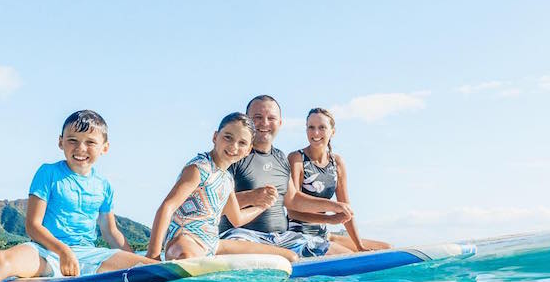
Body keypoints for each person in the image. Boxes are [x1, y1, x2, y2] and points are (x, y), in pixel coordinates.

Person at [0, 110, 157, 282]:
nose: (81, 148)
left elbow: (111, 232)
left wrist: (139, 266)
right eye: (72, 140)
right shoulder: (48, 173)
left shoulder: (104, 185)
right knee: (0, 258)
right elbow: (33, 226)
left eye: (90, 142)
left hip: (88, 255)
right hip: (45, 252)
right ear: (60, 142)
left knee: (149, 267)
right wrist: (63, 251)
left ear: (105, 147)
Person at [146, 112, 298, 262]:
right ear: (215, 137)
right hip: (185, 239)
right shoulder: (198, 168)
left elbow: (236, 219)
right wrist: (153, 256)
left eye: (242, 143)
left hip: (212, 243)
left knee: (289, 257)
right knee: (189, 259)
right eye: (228, 137)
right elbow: (167, 207)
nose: (233, 146)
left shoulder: (227, 179)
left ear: (248, 150)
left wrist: (263, 205)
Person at [217, 95, 353, 257]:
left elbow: (293, 199)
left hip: (283, 238)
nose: (265, 123)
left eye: (271, 118)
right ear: (247, 121)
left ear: (280, 123)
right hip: (242, 236)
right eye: (258, 117)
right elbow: (214, 201)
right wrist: (250, 197)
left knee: (345, 256)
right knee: (288, 258)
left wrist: (335, 207)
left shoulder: (280, 157)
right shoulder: (234, 154)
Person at [288, 108, 390, 253]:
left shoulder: (337, 162)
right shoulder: (296, 159)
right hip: (299, 235)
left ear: (332, 132)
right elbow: (293, 212)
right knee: (350, 256)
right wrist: (331, 217)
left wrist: (359, 245)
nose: (315, 133)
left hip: (324, 234)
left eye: (322, 127)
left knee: (385, 248)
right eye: (311, 127)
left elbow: (346, 209)